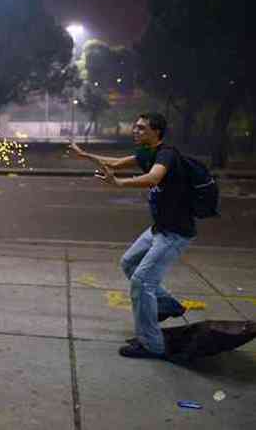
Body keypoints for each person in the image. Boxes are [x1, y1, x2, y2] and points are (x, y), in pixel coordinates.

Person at [67, 112, 192, 359]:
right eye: (135, 127)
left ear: (156, 132)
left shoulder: (166, 153)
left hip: (174, 233)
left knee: (142, 282)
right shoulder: (146, 153)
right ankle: (167, 305)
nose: (135, 131)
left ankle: (151, 345)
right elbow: (114, 163)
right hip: (159, 228)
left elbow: (154, 177)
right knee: (129, 263)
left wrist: (120, 184)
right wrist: (86, 156)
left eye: (141, 128)